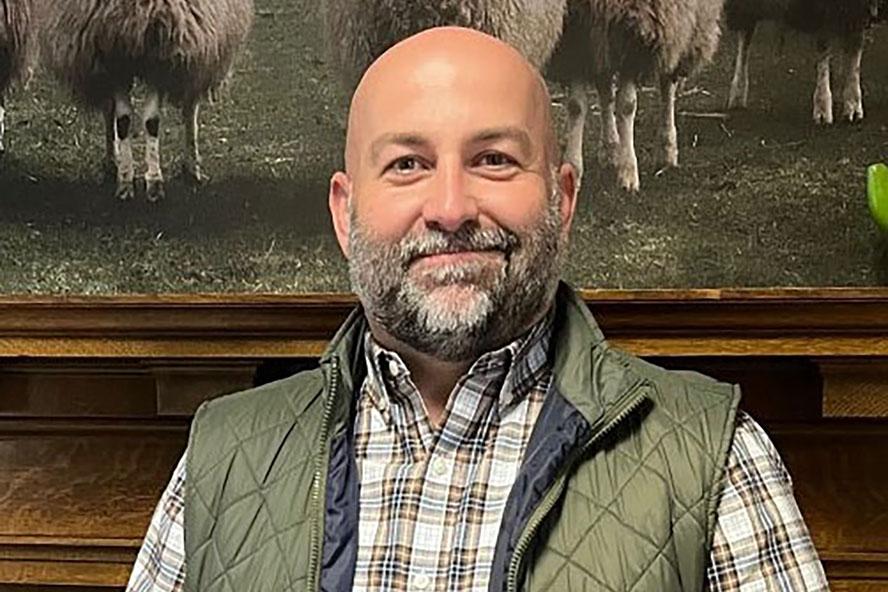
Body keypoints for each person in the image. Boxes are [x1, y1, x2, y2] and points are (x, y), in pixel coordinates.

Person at [126, 26, 828, 592]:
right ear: (346, 212)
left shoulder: (711, 461)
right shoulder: (220, 460)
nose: (452, 208)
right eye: (406, 164)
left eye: (493, 159)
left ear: (564, 199)